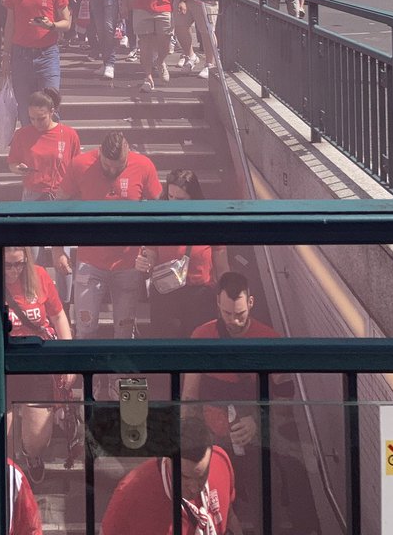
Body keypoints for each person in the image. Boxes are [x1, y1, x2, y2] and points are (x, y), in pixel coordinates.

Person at [183, 272, 294, 530]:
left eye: (240, 313)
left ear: (251, 303)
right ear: (218, 307)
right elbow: (189, 396)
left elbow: (286, 400)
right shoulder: (201, 336)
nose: (234, 320)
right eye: (228, 313)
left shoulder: (270, 340)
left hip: (255, 439)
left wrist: (258, 421)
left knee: (267, 497)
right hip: (212, 440)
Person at [0, 246, 74, 483]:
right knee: (0, 437)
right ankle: (7, 477)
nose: (14, 270)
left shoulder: (39, 276)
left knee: (37, 438)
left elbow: (58, 315)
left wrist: (68, 358)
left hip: (36, 364)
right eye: (8, 265)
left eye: (19, 264)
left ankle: (31, 456)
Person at [55, 131, 162, 351]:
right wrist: (57, 249)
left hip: (128, 264)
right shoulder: (80, 164)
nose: (112, 170)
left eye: (118, 165)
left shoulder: (144, 166)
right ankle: (90, 383)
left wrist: (151, 249)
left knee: (124, 331)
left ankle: (119, 382)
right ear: (99, 154)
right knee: (85, 329)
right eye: (107, 164)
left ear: (128, 153)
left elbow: (158, 212)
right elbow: (57, 207)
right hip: (90, 262)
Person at [100, 410, 235, 535]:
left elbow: (230, 517)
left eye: (201, 477)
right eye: (184, 477)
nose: (194, 487)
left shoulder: (221, 462)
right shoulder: (131, 492)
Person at [135, 168, 229, 340]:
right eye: (170, 197)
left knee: (198, 344)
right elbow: (151, 254)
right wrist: (144, 262)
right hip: (165, 293)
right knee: (165, 344)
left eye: (180, 199)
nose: (173, 203)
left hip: (200, 295)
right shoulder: (159, 220)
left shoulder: (210, 222)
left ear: (193, 198)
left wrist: (226, 299)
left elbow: (222, 267)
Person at [2, 0, 71, 125]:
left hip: (47, 54)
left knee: (51, 105)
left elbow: (67, 22)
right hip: (20, 55)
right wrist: (6, 55)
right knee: (25, 110)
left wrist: (52, 25)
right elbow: (10, 24)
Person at [8, 88, 81, 201]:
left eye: (41, 119)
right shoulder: (22, 134)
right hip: (33, 193)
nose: (36, 123)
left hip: (62, 193)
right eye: (32, 119)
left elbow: (76, 166)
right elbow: (13, 163)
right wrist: (19, 169)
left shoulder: (69, 134)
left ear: (52, 112)